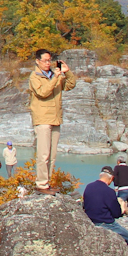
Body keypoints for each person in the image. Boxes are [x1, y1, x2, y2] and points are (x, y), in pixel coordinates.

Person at [29, 49, 76, 193]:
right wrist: (55, 78)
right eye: (45, 60)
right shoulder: (35, 76)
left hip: (55, 118)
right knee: (43, 154)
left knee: (52, 154)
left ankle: (47, 182)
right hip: (42, 118)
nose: (48, 63)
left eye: (49, 60)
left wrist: (67, 72)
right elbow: (42, 92)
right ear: (37, 61)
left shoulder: (54, 75)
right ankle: (41, 184)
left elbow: (70, 85)